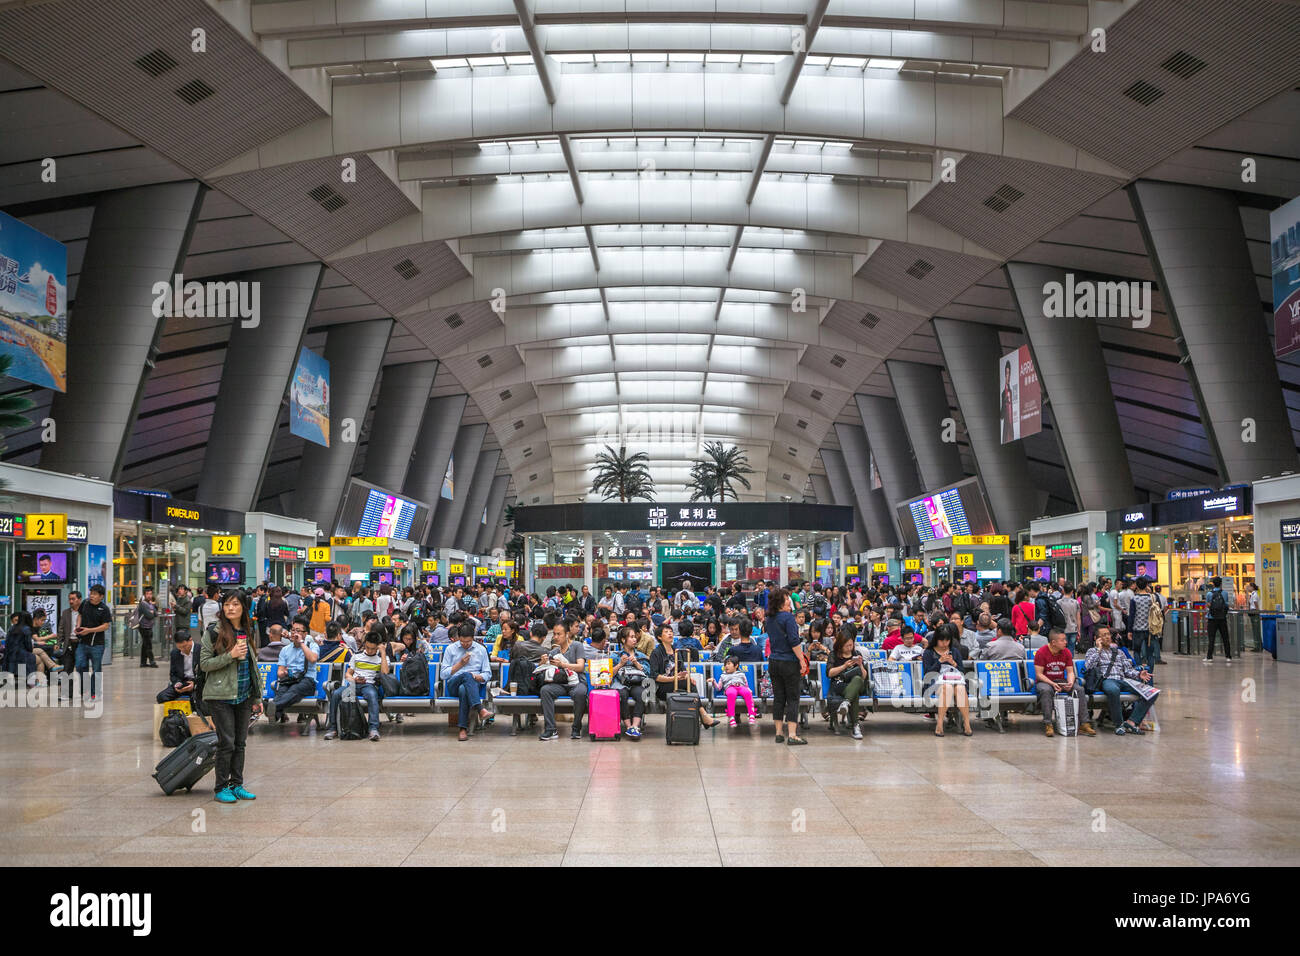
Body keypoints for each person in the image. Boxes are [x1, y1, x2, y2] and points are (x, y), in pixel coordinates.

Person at [199, 590, 264, 802]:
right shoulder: (213, 632)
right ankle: (220, 788)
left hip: (243, 694)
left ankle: (237, 784)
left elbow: (252, 664)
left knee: (240, 742)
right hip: (221, 695)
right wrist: (231, 655)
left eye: (235, 604)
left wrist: (256, 697)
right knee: (226, 742)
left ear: (244, 608)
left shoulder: (247, 629)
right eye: (227, 604)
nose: (230, 608)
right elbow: (205, 664)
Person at [1084, 626, 1156, 735]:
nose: (1108, 637)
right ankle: (1119, 724)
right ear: (1096, 638)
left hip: (1123, 680)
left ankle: (1132, 722)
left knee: (1152, 692)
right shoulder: (1092, 651)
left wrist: (1139, 674)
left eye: (1108, 634)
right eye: (1104, 635)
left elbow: (1128, 671)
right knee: (1113, 690)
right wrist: (1098, 649)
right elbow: (1088, 666)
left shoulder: (1119, 652)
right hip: (1107, 680)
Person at [649, 622, 718, 730]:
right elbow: (655, 676)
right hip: (662, 687)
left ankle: (689, 721)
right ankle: (703, 716)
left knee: (689, 685)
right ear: (659, 637)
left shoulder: (676, 650)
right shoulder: (656, 653)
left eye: (671, 631)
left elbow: (683, 669)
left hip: (677, 683)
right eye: (666, 632)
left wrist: (687, 676)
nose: (670, 634)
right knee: (688, 685)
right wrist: (674, 678)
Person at [324, 628, 388, 742]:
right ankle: (333, 728)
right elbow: (348, 674)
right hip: (353, 685)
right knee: (336, 694)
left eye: (373, 649)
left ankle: (373, 728)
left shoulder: (380, 659)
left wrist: (383, 653)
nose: (369, 651)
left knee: (372, 696)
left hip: (369, 685)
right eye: (367, 647)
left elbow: (385, 673)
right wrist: (354, 679)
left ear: (378, 646)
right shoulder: (357, 656)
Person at [764, 587, 808, 745]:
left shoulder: (769, 619)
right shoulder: (788, 618)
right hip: (789, 662)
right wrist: (802, 660)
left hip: (774, 662)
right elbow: (794, 641)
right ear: (780, 603)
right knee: (793, 698)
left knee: (778, 698)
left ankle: (778, 733)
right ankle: (792, 735)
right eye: (786, 598)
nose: (789, 600)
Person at [1033, 628, 1095, 738]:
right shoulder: (1041, 652)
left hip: (1061, 681)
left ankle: (1084, 723)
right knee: (1046, 691)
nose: (1066, 642)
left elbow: (1070, 671)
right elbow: (1039, 674)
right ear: (1053, 642)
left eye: (1065, 640)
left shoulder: (1066, 652)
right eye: (1062, 640)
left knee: (1079, 690)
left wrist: (1070, 682)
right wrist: (1052, 684)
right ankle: (1048, 724)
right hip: (1045, 681)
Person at [440, 623, 492, 742]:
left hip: (473, 685)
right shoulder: (450, 649)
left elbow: (487, 673)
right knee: (466, 676)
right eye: (462, 642)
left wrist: (478, 677)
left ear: (473, 638)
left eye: (468, 642)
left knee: (464, 689)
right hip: (453, 683)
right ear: (459, 637)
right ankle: (480, 709)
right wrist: (460, 665)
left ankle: (463, 729)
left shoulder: (481, 650)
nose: (465, 645)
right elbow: (443, 674)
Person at [538, 619, 588, 741]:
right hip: (560, 684)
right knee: (545, 690)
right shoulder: (554, 651)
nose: (555, 637)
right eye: (554, 634)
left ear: (566, 634)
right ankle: (550, 729)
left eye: (558, 634)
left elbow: (580, 667)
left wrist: (563, 665)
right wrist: (542, 662)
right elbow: (544, 670)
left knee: (580, 693)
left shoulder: (577, 646)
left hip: (577, 683)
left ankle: (576, 728)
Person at [921, 624, 972, 737]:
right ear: (936, 639)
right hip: (935, 683)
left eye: (947, 640)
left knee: (960, 688)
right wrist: (939, 661)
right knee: (947, 687)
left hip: (955, 680)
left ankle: (967, 723)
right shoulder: (928, 652)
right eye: (941, 640)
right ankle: (940, 724)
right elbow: (928, 673)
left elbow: (962, 671)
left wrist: (954, 663)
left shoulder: (954, 651)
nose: (944, 644)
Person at [272, 615, 320, 722]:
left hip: (307, 680)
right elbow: (280, 671)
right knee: (281, 692)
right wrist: (282, 673)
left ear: (305, 633)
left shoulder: (312, 646)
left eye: (298, 630)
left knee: (294, 690)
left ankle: (272, 708)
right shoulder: (285, 649)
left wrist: (301, 643)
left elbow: (312, 659)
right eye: (293, 630)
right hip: (289, 679)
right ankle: (275, 713)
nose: (294, 633)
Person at [74, 584, 112, 701]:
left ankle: (95, 693)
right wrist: (78, 626)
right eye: (91, 593)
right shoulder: (85, 603)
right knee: (80, 665)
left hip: (97, 645)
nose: (92, 596)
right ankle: (86, 689)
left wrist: (89, 630)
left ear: (101, 596)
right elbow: (80, 615)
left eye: (95, 594)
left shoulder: (104, 609)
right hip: (82, 642)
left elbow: (106, 626)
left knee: (96, 669)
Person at [611, 627, 650, 739]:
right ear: (623, 640)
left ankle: (635, 726)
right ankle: (628, 727)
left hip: (636, 683)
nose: (634, 640)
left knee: (642, 694)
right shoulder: (615, 656)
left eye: (635, 637)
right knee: (622, 695)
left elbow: (648, 673)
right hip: (620, 684)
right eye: (631, 637)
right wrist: (620, 664)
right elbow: (608, 674)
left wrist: (637, 664)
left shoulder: (641, 656)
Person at [826, 627, 866, 739]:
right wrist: (844, 666)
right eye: (847, 646)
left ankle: (846, 702)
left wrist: (860, 665)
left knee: (857, 680)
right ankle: (855, 727)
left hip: (856, 683)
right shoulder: (833, 655)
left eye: (851, 645)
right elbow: (830, 673)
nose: (850, 648)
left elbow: (864, 676)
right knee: (855, 694)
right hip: (840, 685)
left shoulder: (856, 653)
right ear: (840, 645)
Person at [1125, 576, 1159, 672]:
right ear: (1147, 585)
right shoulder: (1152, 597)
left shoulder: (1134, 599)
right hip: (1150, 629)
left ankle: (1140, 672)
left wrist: (1129, 630)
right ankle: (1150, 674)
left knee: (1137, 651)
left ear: (1136, 586)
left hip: (1137, 629)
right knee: (1150, 654)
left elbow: (1131, 616)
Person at [156, 632, 200, 704]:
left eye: (184, 646)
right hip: (182, 682)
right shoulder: (175, 653)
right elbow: (173, 674)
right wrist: (177, 683)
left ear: (190, 640)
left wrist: (194, 684)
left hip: (197, 683)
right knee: (161, 697)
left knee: (197, 702)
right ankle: (175, 713)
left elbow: (205, 673)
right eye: (180, 648)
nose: (183, 650)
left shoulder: (201, 650)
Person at [1204, 576, 1232, 664]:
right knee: (1225, 637)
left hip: (1212, 618)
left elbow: (1208, 604)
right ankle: (1228, 656)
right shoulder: (1225, 593)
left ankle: (1209, 657)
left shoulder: (1209, 594)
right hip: (1222, 618)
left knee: (1211, 638)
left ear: (1213, 584)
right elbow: (1226, 604)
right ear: (1221, 584)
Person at [136, 587, 158, 668]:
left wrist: (152, 612)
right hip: (144, 627)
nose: (149, 596)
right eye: (147, 594)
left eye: (150, 594)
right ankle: (152, 662)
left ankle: (143, 662)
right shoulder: (143, 604)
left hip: (149, 627)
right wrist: (151, 612)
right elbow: (149, 616)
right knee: (148, 645)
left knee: (145, 645)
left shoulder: (150, 604)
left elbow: (155, 614)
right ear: (144, 595)